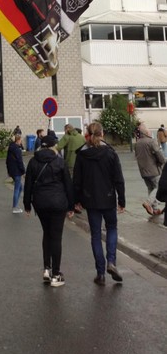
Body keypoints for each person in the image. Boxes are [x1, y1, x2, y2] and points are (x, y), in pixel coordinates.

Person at [73, 122, 125, 285]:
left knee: (95, 234)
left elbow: (77, 181)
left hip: (90, 200)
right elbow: (118, 178)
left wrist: (77, 200)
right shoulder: (110, 153)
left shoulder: (82, 155)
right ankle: (111, 261)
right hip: (108, 198)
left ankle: (100, 272)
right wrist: (121, 200)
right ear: (102, 134)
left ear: (88, 135)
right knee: (111, 228)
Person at [24, 134, 74, 287]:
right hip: (58, 203)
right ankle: (56, 274)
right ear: (53, 146)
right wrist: (71, 206)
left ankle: (47, 268)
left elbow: (28, 185)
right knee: (56, 237)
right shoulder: (59, 161)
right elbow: (68, 185)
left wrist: (27, 205)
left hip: (40, 203)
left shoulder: (33, 161)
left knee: (46, 233)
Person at [134, 124, 165, 216]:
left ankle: (154, 208)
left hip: (143, 171)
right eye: (149, 130)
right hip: (153, 170)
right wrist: (162, 161)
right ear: (146, 132)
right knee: (158, 187)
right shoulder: (151, 142)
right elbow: (159, 154)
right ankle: (148, 202)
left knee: (151, 188)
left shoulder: (137, 143)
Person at [6, 134, 26, 213]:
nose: (21, 142)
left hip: (12, 171)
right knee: (17, 188)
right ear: (18, 140)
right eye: (21, 140)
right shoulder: (17, 150)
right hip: (17, 171)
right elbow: (20, 161)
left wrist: (9, 171)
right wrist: (23, 172)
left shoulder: (11, 148)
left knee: (20, 187)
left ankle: (16, 205)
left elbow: (7, 161)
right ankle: (15, 207)